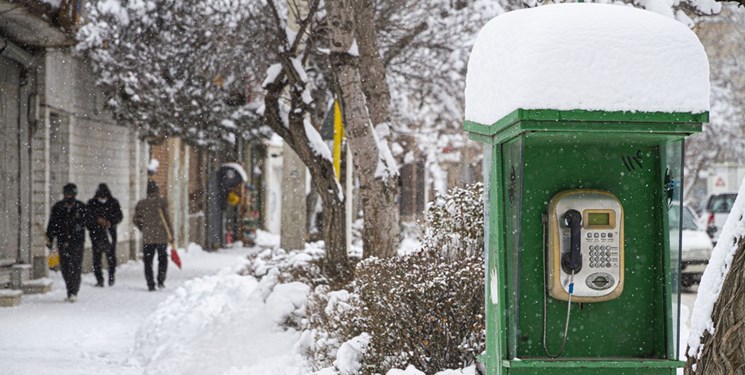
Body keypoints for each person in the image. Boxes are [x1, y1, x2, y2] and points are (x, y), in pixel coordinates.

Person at [46, 183, 88, 302]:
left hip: (77, 242)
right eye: (67, 194)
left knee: (76, 266)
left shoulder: (81, 207)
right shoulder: (58, 207)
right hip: (63, 240)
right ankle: (70, 289)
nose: (69, 196)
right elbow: (52, 224)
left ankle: (73, 291)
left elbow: (89, 222)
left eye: (71, 194)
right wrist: (50, 237)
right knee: (65, 267)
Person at [133, 181, 173, 291]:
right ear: (157, 190)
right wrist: (171, 234)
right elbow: (167, 220)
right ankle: (161, 279)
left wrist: (143, 228)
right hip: (161, 237)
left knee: (148, 261)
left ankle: (150, 283)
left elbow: (135, 219)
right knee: (163, 259)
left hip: (148, 238)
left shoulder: (141, 204)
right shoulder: (162, 202)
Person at [87, 183, 123, 287]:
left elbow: (119, 216)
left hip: (110, 234)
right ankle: (100, 279)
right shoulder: (92, 203)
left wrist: (110, 222)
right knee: (97, 258)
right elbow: (87, 217)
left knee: (110, 257)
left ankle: (111, 276)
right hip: (96, 234)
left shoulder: (113, 203)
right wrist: (97, 221)